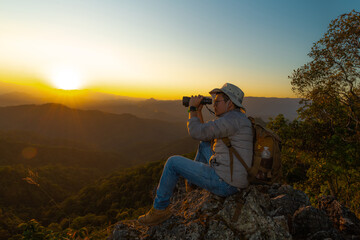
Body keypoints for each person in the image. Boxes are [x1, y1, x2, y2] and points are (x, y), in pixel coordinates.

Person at [138, 83, 253, 226]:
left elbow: (195, 132)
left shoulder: (231, 120)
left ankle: (160, 210)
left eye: (217, 101)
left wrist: (192, 109)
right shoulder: (236, 118)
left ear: (230, 103)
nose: (214, 105)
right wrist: (199, 111)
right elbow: (204, 136)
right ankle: (192, 186)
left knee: (172, 163)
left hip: (225, 183)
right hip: (233, 176)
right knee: (204, 144)